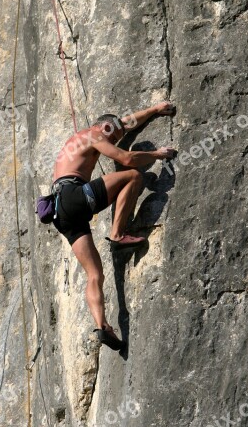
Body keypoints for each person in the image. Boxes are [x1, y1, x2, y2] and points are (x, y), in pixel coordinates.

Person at [51, 101, 176, 350]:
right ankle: (117, 234)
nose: (117, 139)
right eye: (115, 135)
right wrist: (157, 155)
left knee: (95, 274)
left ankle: (102, 326)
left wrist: (153, 110)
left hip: (59, 211)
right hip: (73, 196)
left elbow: (126, 124)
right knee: (133, 175)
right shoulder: (95, 134)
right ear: (105, 126)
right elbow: (127, 158)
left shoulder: (81, 139)